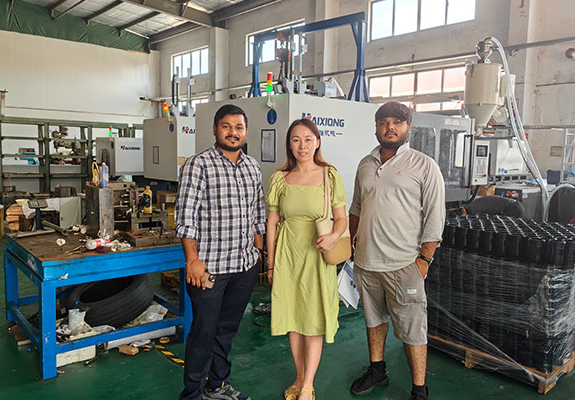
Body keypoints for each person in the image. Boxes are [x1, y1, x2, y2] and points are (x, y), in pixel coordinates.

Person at [349, 102, 445, 400]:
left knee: (413, 328)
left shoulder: (424, 165)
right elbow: (356, 208)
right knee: (373, 320)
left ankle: (419, 389)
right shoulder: (365, 164)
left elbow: (435, 216)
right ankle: (377, 371)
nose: (389, 127)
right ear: (376, 127)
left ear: (408, 127)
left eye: (397, 122)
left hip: (405, 265)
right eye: (383, 122)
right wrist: (352, 245)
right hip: (367, 264)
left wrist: (424, 260)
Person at [175, 104, 265, 400]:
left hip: (244, 266)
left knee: (226, 330)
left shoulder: (252, 166)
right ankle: (192, 393)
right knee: (204, 331)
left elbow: (258, 212)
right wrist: (192, 260)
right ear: (215, 129)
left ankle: (217, 385)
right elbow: (186, 216)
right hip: (209, 268)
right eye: (226, 126)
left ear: (246, 131)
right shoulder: (198, 165)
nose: (233, 133)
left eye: (239, 127)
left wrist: (258, 252)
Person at [265, 118, 348, 400]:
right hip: (288, 255)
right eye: (296, 139)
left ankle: (308, 385)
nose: (302, 145)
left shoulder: (329, 175)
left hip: (316, 255)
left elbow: (341, 218)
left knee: (312, 319)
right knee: (293, 319)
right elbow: (272, 223)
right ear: (289, 145)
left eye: (308, 139)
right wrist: (271, 264)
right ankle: (299, 376)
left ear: (317, 142)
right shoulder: (280, 178)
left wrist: (334, 237)